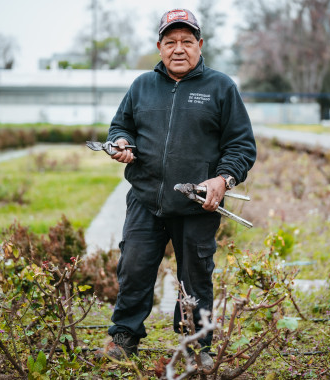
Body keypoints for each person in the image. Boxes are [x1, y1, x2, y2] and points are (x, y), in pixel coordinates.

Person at [105, 8, 256, 365]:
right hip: (145, 197)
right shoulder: (142, 85)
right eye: (170, 42)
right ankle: (124, 336)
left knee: (196, 276)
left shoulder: (221, 87)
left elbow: (242, 146)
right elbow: (119, 127)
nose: (178, 49)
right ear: (159, 46)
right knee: (135, 267)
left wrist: (223, 179)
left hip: (197, 204)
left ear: (200, 45)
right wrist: (121, 143)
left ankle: (197, 345)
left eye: (187, 41)